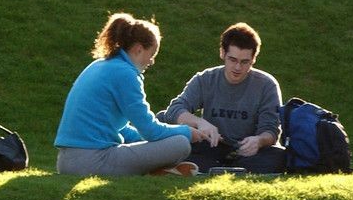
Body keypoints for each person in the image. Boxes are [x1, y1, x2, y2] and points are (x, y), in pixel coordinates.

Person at [54, 13, 205, 176]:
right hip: (93, 161)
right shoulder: (125, 73)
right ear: (138, 49)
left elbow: (120, 128)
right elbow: (150, 130)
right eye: (151, 55)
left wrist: (149, 144)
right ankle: (157, 168)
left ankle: (159, 170)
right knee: (180, 144)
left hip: (66, 161)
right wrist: (187, 132)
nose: (151, 62)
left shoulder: (100, 65)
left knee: (165, 141)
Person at [158, 22, 286, 174]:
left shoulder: (266, 85)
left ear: (254, 59)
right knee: (176, 140)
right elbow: (173, 111)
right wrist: (200, 123)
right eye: (233, 60)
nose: (238, 68)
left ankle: (206, 168)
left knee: (280, 157)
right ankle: (215, 168)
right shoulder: (205, 79)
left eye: (245, 62)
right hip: (211, 146)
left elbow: (271, 130)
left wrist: (258, 141)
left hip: (249, 151)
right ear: (222, 54)